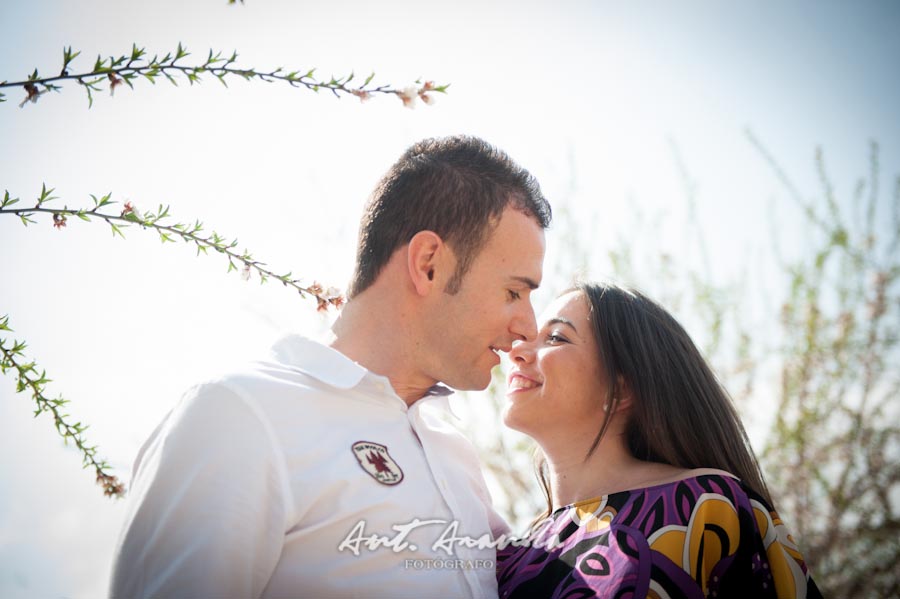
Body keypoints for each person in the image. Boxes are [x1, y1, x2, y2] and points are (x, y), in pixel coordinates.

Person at [110, 135, 552, 598]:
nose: (528, 326)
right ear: (428, 265)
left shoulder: (454, 456)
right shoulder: (240, 415)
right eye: (513, 292)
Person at [497, 282, 823, 598]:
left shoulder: (710, 508)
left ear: (620, 389)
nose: (517, 351)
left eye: (556, 337)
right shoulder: (511, 555)